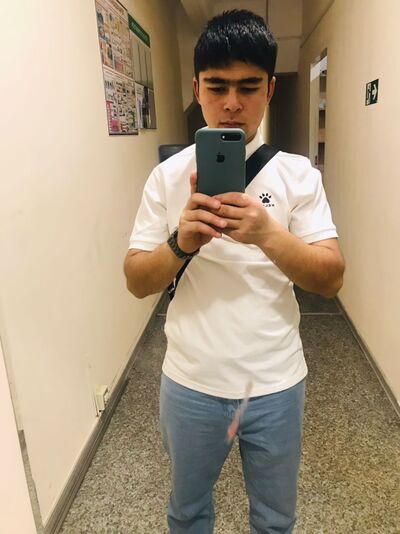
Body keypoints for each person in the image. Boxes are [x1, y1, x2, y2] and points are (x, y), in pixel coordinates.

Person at [124, 9, 345, 534]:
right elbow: (136, 280)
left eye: (248, 87)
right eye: (217, 86)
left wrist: (267, 234)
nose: (231, 103)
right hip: (191, 380)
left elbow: (330, 277)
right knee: (187, 513)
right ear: (196, 89)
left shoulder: (298, 176)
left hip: (276, 381)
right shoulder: (167, 177)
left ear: (270, 90)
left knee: (275, 520)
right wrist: (181, 243)